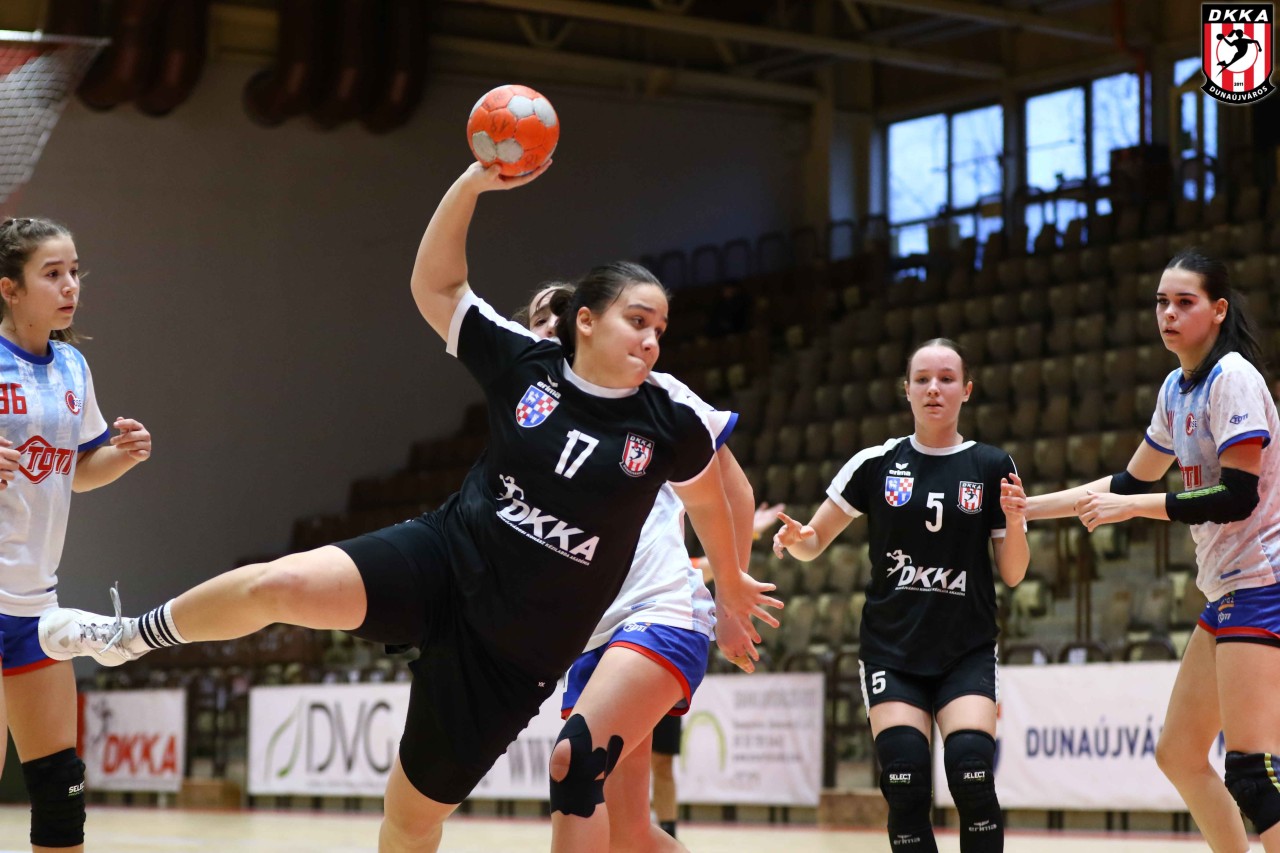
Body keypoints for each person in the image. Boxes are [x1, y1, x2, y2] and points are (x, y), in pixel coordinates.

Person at [36, 161, 780, 853]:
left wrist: (731, 583)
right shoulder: (526, 363)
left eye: (659, 329)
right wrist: (474, 181)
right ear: (585, 320)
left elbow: (714, 499)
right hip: (445, 559)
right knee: (279, 583)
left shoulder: (667, 419)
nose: (651, 340)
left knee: (410, 819)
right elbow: (437, 286)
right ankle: (130, 634)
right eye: (637, 321)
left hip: (512, 654)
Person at [1025, 249, 1280, 853]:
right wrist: (1025, 509)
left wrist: (1136, 507)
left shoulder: (1233, 378)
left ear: (1218, 310)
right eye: (1162, 302)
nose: (1168, 313)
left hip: (1263, 581)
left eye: (1184, 302)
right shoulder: (1176, 389)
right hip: (1227, 588)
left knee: (1251, 771)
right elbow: (1126, 483)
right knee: (1179, 754)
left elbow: (1238, 495)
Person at [513, 281, 779, 851]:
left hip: (661, 612)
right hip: (590, 638)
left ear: (586, 324)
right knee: (629, 835)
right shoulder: (527, 420)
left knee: (572, 763)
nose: (551, 323)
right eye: (539, 317)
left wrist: (731, 601)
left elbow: (736, 493)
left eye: (562, 312)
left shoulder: (655, 394)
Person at [772, 338, 1027, 853]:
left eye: (947, 379)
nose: (934, 389)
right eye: (922, 379)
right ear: (905, 390)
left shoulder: (992, 464)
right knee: (905, 782)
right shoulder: (876, 462)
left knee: (972, 774)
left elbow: (1014, 572)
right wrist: (798, 540)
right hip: (892, 650)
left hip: (966, 648)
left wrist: (1016, 520)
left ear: (967, 390)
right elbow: (815, 541)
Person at [0, 217, 152, 852]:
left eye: (74, 271)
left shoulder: (73, 366)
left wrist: (123, 455)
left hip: (35, 607)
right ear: (10, 288)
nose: (70, 286)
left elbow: (77, 472)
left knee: (61, 791)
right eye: (52, 273)